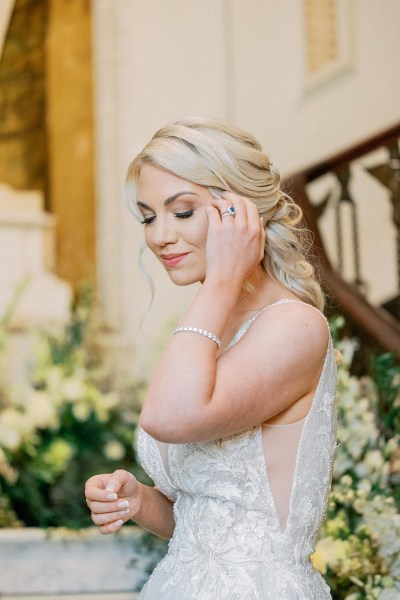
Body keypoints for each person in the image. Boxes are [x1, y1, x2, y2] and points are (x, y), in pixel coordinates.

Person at [85, 116, 337, 599]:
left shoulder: (295, 327)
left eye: (181, 212)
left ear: (240, 213)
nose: (159, 236)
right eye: (148, 216)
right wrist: (140, 501)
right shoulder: (211, 329)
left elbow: (168, 416)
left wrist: (223, 278)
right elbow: (203, 518)